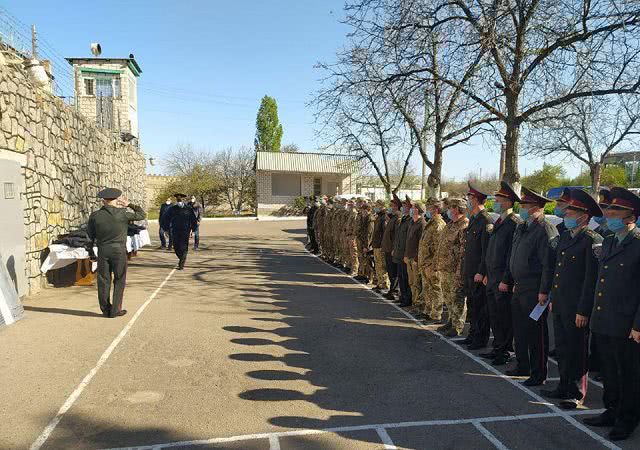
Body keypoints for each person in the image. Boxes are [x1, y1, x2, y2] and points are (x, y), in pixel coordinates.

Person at [583, 187, 640, 441]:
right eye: (609, 210)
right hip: (604, 319)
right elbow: (601, 281)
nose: (609, 214)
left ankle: (627, 420)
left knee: (628, 374)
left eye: (616, 211)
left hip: (627, 323)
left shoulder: (638, 245)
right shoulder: (608, 241)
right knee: (609, 371)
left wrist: (638, 325)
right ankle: (612, 410)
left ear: (631, 217)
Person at [540, 188, 602, 410]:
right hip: (562, 303)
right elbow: (558, 271)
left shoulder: (592, 241)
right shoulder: (566, 236)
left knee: (577, 350)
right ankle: (563, 386)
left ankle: (576, 392)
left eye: (570, 212)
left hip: (577, 307)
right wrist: (553, 296)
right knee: (564, 347)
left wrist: (584, 310)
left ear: (583, 216)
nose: (565, 215)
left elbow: (590, 280)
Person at [504, 187, 558, 386]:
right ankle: (522, 364)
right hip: (519, 286)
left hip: (534, 289)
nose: (522, 209)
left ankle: (538, 373)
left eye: (525, 206)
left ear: (537, 208)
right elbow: (514, 256)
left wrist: (544, 290)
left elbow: (547, 264)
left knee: (536, 334)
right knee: (520, 330)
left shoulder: (545, 229)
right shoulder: (523, 227)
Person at [87, 188, 146, 318]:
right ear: (116, 199)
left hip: (103, 250)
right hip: (119, 251)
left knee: (103, 280)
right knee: (119, 279)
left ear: (103, 200)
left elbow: (89, 236)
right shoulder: (123, 213)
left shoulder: (95, 215)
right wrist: (129, 204)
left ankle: (105, 309)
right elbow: (142, 214)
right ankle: (115, 309)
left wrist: (90, 252)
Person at [481, 182, 522, 366]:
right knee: (494, 316)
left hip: (502, 279)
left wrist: (506, 279)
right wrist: (487, 273)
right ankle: (497, 346)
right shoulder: (500, 221)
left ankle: (505, 350)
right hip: (492, 277)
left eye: (498, 199)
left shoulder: (513, 223)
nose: (495, 202)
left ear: (507, 201)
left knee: (504, 316)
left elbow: (510, 254)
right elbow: (492, 251)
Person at [463, 183, 493, 349]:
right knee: (473, 306)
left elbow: (485, 250)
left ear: (475, 200)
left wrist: (481, 271)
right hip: (469, 270)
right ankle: (473, 334)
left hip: (477, 272)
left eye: (469, 197)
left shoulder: (486, 220)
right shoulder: (474, 220)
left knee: (480, 307)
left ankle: (480, 338)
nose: (468, 200)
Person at [436, 197, 469, 337]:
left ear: (456, 208)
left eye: (450, 207)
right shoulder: (450, 224)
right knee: (448, 298)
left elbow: (463, 252)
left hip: (455, 270)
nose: (448, 210)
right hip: (445, 267)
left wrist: (459, 272)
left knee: (457, 298)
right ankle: (451, 320)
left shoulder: (464, 225)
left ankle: (458, 326)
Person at [419, 197, 446, 322]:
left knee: (435, 289)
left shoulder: (439, 224)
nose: (427, 210)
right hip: (425, 262)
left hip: (432, 264)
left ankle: (436, 314)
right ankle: (428, 310)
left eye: (429, 208)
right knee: (427, 288)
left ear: (436, 209)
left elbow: (438, 247)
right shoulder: (430, 222)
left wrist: (434, 264)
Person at [164, 193, 198, 270]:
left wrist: (193, 230)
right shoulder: (172, 209)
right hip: (175, 230)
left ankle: (181, 263)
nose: (180, 201)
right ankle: (181, 258)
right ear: (176, 200)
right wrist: (166, 229)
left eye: (181, 199)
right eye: (178, 200)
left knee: (184, 246)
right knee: (176, 246)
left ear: (184, 200)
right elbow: (166, 219)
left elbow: (193, 220)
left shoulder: (188, 209)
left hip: (185, 230)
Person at [405, 201, 426, 313]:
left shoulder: (422, 223)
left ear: (418, 210)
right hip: (409, 256)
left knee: (417, 283)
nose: (411, 209)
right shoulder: (412, 222)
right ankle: (414, 303)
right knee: (412, 282)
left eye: (413, 208)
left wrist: (417, 257)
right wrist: (406, 255)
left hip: (416, 258)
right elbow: (408, 240)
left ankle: (419, 305)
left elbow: (421, 243)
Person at [393, 196, 413, 306]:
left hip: (405, 254)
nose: (404, 208)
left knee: (406, 278)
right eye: (404, 206)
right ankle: (403, 296)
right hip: (400, 253)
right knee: (401, 276)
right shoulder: (403, 219)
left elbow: (408, 239)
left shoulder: (410, 220)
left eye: (406, 206)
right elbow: (399, 237)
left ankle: (407, 299)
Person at [382, 195, 402, 300]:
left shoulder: (398, 218)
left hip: (392, 250)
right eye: (391, 206)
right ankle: (392, 290)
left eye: (393, 206)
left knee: (394, 272)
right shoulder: (393, 218)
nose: (391, 207)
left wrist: (394, 249)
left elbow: (396, 236)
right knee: (390, 270)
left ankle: (394, 291)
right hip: (388, 248)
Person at [371, 199, 389, 292]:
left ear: (382, 206)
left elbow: (385, 232)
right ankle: (379, 282)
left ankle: (384, 284)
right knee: (377, 265)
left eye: (377, 205)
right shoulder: (378, 216)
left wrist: (383, 245)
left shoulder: (384, 217)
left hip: (381, 245)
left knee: (382, 266)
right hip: (376, 244)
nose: (375, 207)